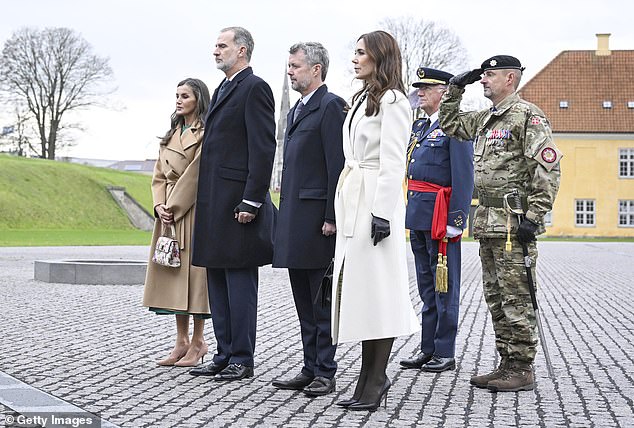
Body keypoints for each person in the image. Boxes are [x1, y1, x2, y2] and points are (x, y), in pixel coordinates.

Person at [439, 55, 561, 392]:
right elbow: (450, 125)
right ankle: (506, 362)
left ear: (511, 78)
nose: (484, 80)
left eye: (490, 75)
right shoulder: (486, 119)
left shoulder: (528, 117)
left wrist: (535, 217)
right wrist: (454, 89)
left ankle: (522, 368)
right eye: (483, 75)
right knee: (495, 297)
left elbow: (547, 170)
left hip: (513, 224)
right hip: (488, 222)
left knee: (517, 298)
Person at [331, 30, 420, 411]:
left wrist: (382, 213)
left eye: (361, 53)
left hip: (374, 204)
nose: (355, 59)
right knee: (362, 293)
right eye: (354, 53)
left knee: (379, 294)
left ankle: (375, 379)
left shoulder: (394, 101)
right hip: (355, 196)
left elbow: (393, 160)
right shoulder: (363, 99)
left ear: (379, 58)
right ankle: (368, 377)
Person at [189, 27, 277, 382]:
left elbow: (263, 147)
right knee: (218, 281)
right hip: (214, 202)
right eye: (215, 45)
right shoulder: (224, 88)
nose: (215, 50)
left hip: (239, 204)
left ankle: (242, 357)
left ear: (242, 51)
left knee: (239, 284)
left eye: (222, 45)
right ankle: (224, 353)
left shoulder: (255, 88)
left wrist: (252, 200)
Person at [271, 42, 346, 397]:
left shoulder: (330, 107)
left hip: (318, 221)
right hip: (295, 220)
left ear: (316, 69)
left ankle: (325, 371)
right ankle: (309, 365)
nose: (290, 71)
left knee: (320, 302)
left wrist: (332, 216)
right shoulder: (298, 109)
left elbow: (337, 166)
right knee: (302, 299)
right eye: (289, 65)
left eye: (296, 66)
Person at [399, 67, 474, 373]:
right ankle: (427, 348)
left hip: (441, 217)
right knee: (427, 286)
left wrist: (457, 219)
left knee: (445, 287)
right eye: (419, 88)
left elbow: (464, 175)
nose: (420, 92)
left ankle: (445, 351)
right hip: (418, 215)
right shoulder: (420, 127)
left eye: (426, 88)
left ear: (444, 92)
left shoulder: (455, 127)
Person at [143, 78, 211, 367]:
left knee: (195, 279)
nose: (179, 100)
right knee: (173, 276)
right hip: (168, 216)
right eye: (177, 95)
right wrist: (159, 205)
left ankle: (199, 342)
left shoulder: (206, 132)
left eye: (185, 96)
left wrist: (174, 206)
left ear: (199, 100)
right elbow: (159, 175)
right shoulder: (171, 134)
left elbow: (196, 174)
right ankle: (180, 341)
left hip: (192, 212)